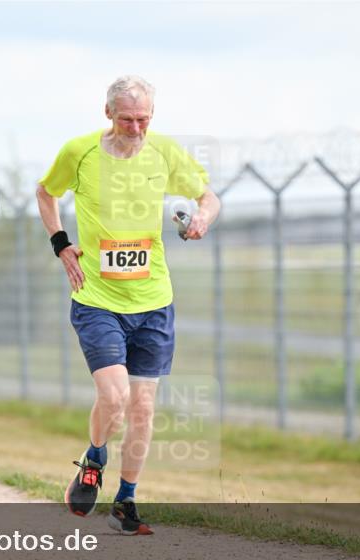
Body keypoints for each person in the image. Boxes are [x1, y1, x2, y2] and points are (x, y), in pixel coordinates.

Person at [36, 75, 221, 535]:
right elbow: (46, 192)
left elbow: (208, 196)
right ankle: (95, 457)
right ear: (108, 114)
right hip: (97, 297)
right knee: (114, 395)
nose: (136, 129)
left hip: (154, 300)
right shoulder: (80, 152)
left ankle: (127, 500)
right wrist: (61, 244)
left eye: (143, 119)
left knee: (142, 409)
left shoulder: (164, 151)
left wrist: (202, 217)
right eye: (127, 119)